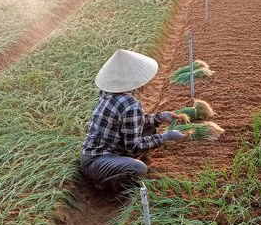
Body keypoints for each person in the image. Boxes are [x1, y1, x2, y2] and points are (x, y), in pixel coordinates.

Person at [80, 49, 186, 194]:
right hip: (97, 161)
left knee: (148, 129)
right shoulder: (130, 104)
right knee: (139, 169)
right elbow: (134, 147)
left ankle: (116, 166)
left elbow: (133, 122)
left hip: (96, 153)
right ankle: (103, 187)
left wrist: (159, 118)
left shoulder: (109, 92)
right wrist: (166, 137)